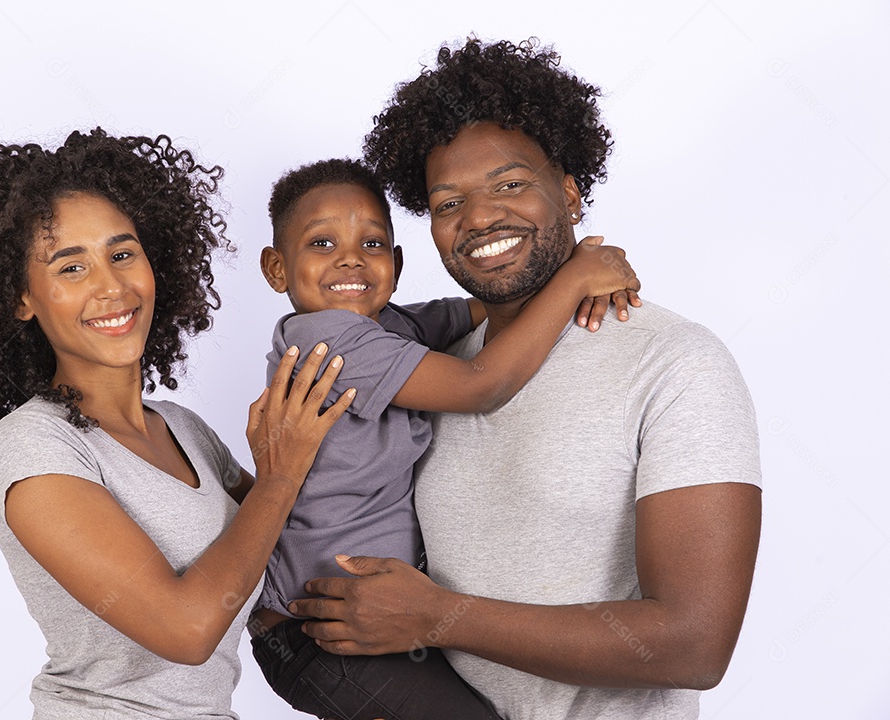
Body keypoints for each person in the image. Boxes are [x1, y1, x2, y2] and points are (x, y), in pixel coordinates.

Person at [289, 38, 763, 720]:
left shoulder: (675, 362)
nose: (480, 217)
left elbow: (695, 645)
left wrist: (438, 618)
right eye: (448, 203)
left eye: (510, 185)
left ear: (569, 192)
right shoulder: (434, 364)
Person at [0, 128, 355, 719]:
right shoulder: (31, 445)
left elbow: (285, 551)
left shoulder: (184, 430)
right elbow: (187, 629)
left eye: (122, 254)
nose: (110, 286)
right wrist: (281, 476)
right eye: (71, 267)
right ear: (22, 297)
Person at [249, 158, 640, 720]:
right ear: (275, 269)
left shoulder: (388, 326)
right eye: (322, 242)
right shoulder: (329, 339)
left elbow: (493, 307)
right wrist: (577, 279)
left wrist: (575, 268)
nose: (350, 258)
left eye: (372, 244)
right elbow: (480, 384)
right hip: (320, 632)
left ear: (396, 264)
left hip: (364, 619)